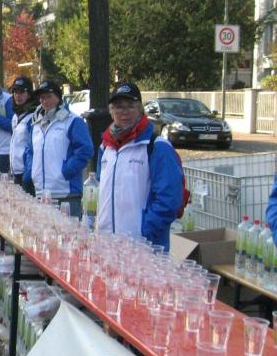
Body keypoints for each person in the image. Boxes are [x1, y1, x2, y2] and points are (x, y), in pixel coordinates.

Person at [96, 82, 183, 249]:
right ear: (111, 111)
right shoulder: (105, 147)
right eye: (119, 107)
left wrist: (145, 234)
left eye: (131, 106)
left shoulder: (157, 147)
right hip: (108, 246)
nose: (125, 112)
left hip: (143, 248)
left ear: (140, 109)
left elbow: (169, 199)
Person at [23, 79, 93, 216]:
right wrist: (31, 172)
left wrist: (65, 172)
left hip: (66, 194)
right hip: (41, 194)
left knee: (69, 229)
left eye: (49, 96)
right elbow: (30, 151)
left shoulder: (73, 121)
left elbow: (85, 150)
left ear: (58, 97)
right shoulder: (35, 123)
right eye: (42, 97)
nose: (45, 101)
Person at [8, 76, 37, 190]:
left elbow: (33, 147)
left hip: (27, 173)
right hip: (16, 171)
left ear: (29, 94)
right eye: (15, 91)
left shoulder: (33, 116)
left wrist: (28, 173)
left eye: (21, 92)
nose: (17, 95)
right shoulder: (16, 116)